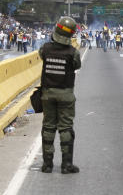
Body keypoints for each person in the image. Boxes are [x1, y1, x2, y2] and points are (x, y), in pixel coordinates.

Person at [39, 16, 81, 174]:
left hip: (48, 94)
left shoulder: (45, 48)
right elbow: (77, 65)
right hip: (65, 95)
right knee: (65, 129)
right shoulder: (73, 52)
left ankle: (47, 164)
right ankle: (66, 165)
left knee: (48, 128)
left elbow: (41, 56)